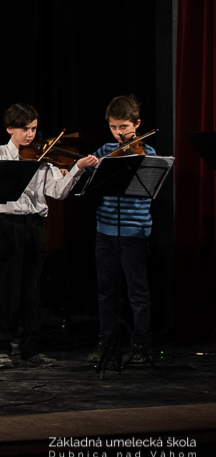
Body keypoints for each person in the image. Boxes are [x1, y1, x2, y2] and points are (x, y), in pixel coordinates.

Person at [0, 104, 98, 369]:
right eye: (25, 129)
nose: (30, 135)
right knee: (6, 289)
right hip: (9, 224)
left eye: (34, 129)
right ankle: (0, 349)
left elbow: (58, 192)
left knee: (32, 289)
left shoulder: (42, 157)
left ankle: (31, 349)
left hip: (35, 224)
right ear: (10, 129)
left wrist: (77, 168)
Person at [89, 95, 156, 363]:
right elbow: (88, 180)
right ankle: (107, 341)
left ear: (137, 124)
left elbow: (148, 191)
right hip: (105, 230)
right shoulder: (105, 150)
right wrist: (86, 167)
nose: (119, 133)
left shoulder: (147, 153)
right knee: (106, 290)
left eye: (124, 127)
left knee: (137, 291)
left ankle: (140, 344)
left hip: (135, 232)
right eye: (114, 128)